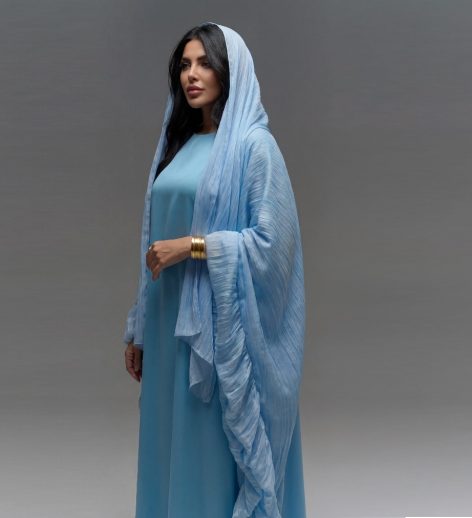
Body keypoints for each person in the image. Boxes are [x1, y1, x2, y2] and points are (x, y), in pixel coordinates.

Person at [122, 22, 306, 518]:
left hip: (213, 330)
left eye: (205, 63)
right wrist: (139, 327)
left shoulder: (254, 147)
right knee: (168, 440)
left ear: (231, 70)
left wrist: (194, 247)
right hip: (167, 320)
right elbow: (151, 237)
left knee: (207, 448)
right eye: (185, 65)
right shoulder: (177, 144)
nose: (192, 75)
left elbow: (274, 246)